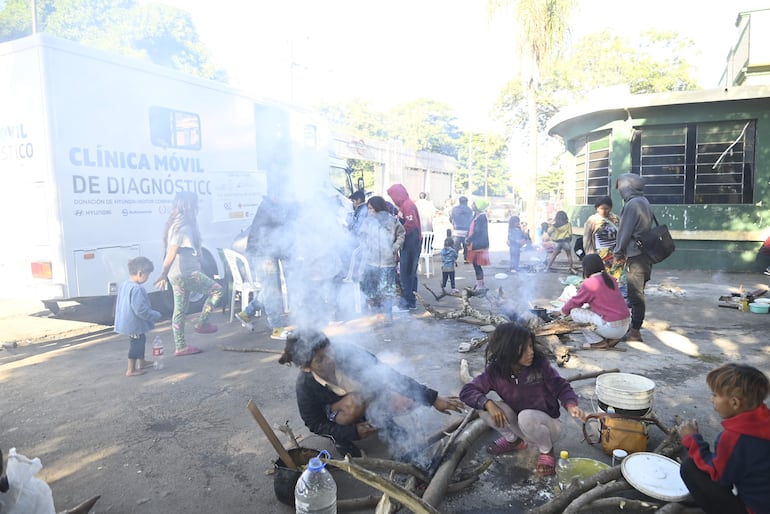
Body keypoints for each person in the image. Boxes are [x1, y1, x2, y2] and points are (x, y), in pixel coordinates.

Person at [278, 329, 465, 457]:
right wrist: (350, 432)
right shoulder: (305, 386)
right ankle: (343, 440)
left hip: (369, 398)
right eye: (321, 359)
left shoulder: (349, 353)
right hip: (340, 415)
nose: (331, 359)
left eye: (329, 351)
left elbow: (390, 375)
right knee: (353, 404)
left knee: (406, 399)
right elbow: (314, 423)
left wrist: (432, 399)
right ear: (306, 367)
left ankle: (383, 421)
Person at [459, 322, 586, 476]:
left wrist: (571, 404)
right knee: (483, 410)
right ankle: (514, 440)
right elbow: (467, 391)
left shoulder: (540, 366)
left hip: (547, 426)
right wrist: (488, 403)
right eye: (524, 349)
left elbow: (561, 386)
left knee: (526, 416)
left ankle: (546, 450)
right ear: (508, 349)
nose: (531, 352)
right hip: (519, 423)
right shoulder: (495, 371)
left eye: (531, 346)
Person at [678, 363, 770, 514]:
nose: (711, 399)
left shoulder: (735, 437)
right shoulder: (764, 419)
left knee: (690, 467)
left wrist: (692, 439)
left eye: (715, 395)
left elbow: (716, 474)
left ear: (734, 403)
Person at [155, 191, 222, 356]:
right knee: (217, 290)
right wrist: (162, 274)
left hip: (176, 275)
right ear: (190, 206)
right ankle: (202, 323)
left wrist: (166, 274)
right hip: (187, 273)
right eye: (196, 204)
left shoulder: (174, 225)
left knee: (180, 309)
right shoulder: (183, 227)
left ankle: (180, 347)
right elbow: (171, 253)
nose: (198, 207)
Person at [237, 194, 292, 339]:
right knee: (272, 290)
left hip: (267, 253)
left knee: (269, 290)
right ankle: (277, 328)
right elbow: (281, 231)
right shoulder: (270, 209)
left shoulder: (270, 207)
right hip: (263, 255)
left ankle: (247, 313)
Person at [613, 173, 654, 342]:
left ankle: (635, 331)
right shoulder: (644, 201)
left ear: (627, 187)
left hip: (635, 256)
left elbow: (624, 231)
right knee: (637, 292)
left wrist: (618, 251)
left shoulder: (632, 204)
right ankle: (633, 326)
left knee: (635, 295)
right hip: (645, 255)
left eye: (621, 188)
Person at [560, 254, 631, 349]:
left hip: (612, 327)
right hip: (624, 326)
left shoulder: (589, 283)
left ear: (586, 268)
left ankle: (597, 342)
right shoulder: (611, 278)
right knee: (590, 309)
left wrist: (562, 311)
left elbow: (575, 302)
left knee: (575, 312)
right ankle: (613, 338)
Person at [358, 195, 404, 324]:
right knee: (371, 291)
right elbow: (361, 235)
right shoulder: (367, 222)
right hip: (371, 262)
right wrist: (364, 246)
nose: (369, 211)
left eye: (371, 209)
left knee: (387, 292)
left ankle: (388, 317)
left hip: (387, 263)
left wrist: (394, 248)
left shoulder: (392, 221)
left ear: (378, 209)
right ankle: (376, 317)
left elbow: (401, 234)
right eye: (368, 209)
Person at [114, 256, 162, 376]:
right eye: (148, 275)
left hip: (129, 321)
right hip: (133, 323)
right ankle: (131, 369)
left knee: (141, 340)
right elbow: (140, 310)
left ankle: (142, 362)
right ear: (140, 273)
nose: (148, 278)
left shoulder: (125, 284)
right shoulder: (136, 289)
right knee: (136, 344)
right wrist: (155, 315)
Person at [386, 184, 421, 311]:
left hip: (411, 243)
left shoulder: (408, 205)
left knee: (406, 274)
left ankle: (406, 303)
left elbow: (411, 224)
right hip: (408, 243)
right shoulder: (403, 206)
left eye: (393, 196)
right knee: (409, 273)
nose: (393, 199)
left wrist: (398, 233)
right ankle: (410, 301)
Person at [583, 196, 622, 282]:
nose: (604, 211)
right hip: (600, 256)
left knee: (616, 280)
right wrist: (590, 256)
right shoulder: (592, 221)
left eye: (606, 208)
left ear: (611, 208)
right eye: (601, 208)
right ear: (597, 208)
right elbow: (587, 240)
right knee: (602, 279)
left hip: (615, 255)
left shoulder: (616, 219)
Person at [466, 198, 490, 290]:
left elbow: (477, 231)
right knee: (476, 265)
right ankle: (479, 283)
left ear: (477, 206)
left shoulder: (482, 217)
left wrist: (469, 239)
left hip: (479, 245)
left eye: (473, 204)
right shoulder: (475, 215)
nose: (471, 205)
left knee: (477, 265)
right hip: (474, 244)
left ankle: (480, 285)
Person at [450, 196, 474, 264]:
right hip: (466, 230)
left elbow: (451, 218)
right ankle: (466, 259)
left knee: (455, 247)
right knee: (466, 246)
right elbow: (471, 220)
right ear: (466, 202)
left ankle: (454, 260)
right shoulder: (469, 210)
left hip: (456, 230)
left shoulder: (454, 209)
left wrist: (454, 224)